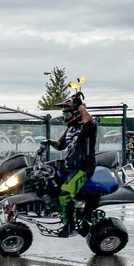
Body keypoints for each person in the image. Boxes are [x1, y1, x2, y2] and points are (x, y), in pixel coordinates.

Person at [44, 95, 97, 237]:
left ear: (76, 113)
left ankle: (70, 226)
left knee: (65, 193)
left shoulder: (88, 127)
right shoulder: (70, 129)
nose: (65, 116)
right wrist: (49, 142)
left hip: (83, 167)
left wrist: (80, 106)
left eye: (67, 113)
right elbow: (60, 145)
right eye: (64, 113)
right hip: (69, 165)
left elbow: (89, 121)